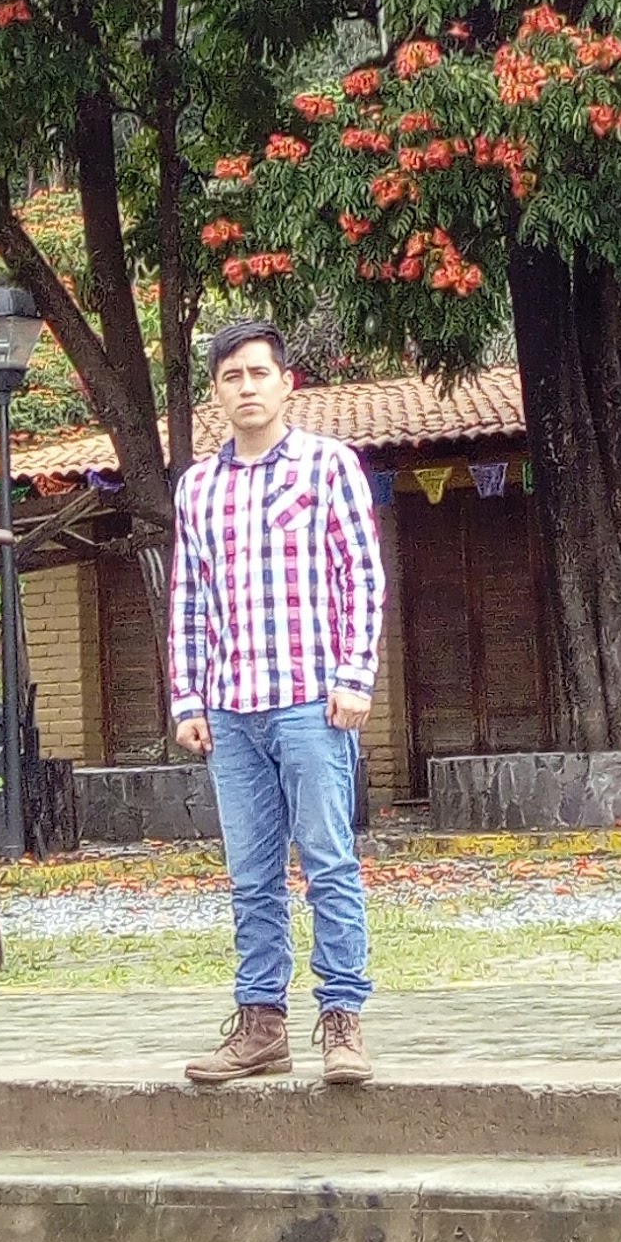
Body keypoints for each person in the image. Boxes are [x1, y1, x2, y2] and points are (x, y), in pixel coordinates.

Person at [169, 315, 385, 1087]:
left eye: (259, 372)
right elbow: (189, 600)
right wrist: (186, 697)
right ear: (217, 394)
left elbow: (362, 578)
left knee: (328, 860)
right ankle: (261, 1026)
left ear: (286, 383)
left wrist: (355, 676)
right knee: (250, 874)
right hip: (229, 709)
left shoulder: (330, 468)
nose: (247, 386)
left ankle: (342, 1023)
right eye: (232, 376)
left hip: (312, 704)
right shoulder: (198, 487)